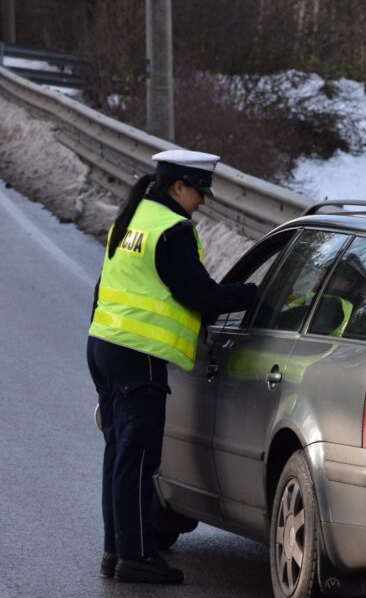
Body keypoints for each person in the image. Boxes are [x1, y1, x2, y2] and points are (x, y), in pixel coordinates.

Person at [86, 150, 257, 584]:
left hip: (105, 346)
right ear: (179, 185)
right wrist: (253, 295)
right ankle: (138, 557)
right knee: (139, 458)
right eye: (199, 191)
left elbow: (104, 286)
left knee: (119, 456)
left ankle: (116, 551)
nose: (201, 201)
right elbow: (203, 296)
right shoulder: (171, 231)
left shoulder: (134, 217)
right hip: (137, 355)